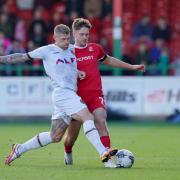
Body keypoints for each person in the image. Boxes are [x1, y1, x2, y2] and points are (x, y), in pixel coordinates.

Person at [0, 24, 117, 167]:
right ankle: (103, 154)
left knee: (55, 136)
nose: (66, 42)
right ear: (55, 38)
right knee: (88, 117)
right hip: (63, 93)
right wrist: (2, 58)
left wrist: (78, 72)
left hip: (68, 94)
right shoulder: (46, 50)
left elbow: (70, 66)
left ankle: (20, 148)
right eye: (63, 39)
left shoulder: (71, 50)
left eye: (68, 39)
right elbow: (21, 57)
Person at [63, 18, 145, 167]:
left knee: (101, 118)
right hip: (76, 98)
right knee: (71, 137)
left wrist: (131, 67)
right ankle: (67, 151)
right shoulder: (67, 52)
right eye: (81, 34)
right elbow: (59, 72)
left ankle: (106, 156)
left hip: (95, 95)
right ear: (74, 33)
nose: (85, 37)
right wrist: (75, 72)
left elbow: (109, 60)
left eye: (87, 34)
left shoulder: (95, 48)